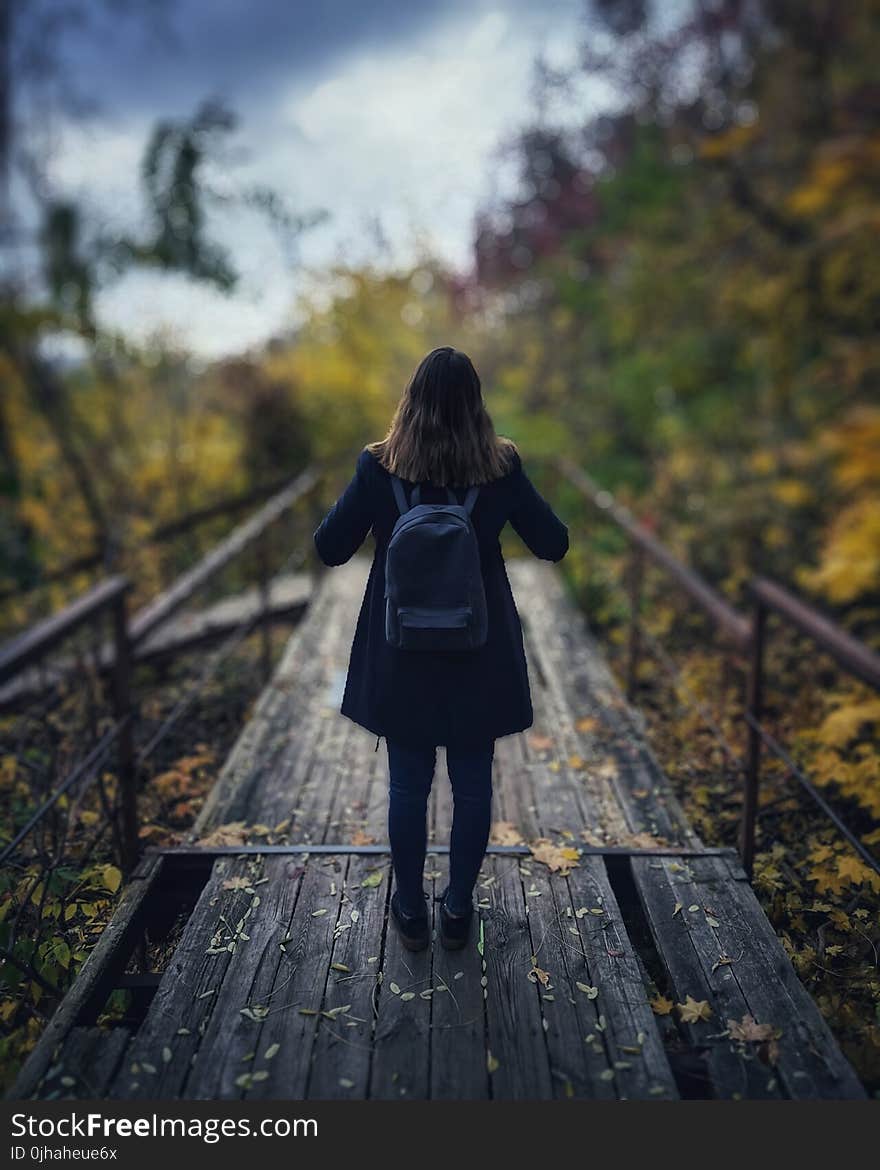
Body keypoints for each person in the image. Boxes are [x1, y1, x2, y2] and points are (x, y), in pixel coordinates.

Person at [313, 346, 569, 951]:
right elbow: (553, 544)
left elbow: (329, 548)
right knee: (474, 781)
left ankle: (408, 906)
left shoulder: (379, 468)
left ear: (411, 402)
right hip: (478, 652)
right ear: (476, 406)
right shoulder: (500, 468)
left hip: (401, 652)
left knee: (408, 781)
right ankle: (457, 908)